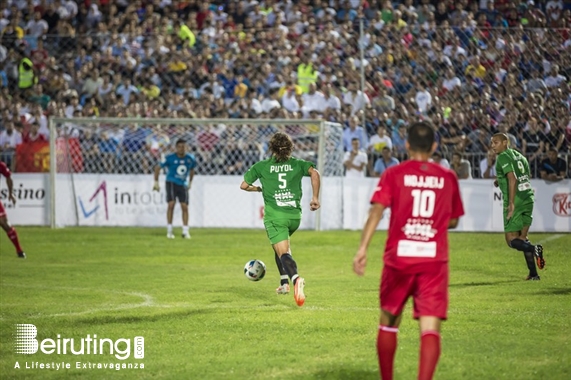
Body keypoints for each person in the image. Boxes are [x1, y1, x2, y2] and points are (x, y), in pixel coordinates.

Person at [353, 122, 464, 380]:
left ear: (407, 145)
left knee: (389, 322)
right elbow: (455, 220)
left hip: (399, 259)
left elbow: (377, 211)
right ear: (435, 147)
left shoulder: (394, 174)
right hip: (433, 261)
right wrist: (431, 224)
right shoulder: (447, 177)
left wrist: (362, 249)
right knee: (430, 327)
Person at [240, 132, 320, 307]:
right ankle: (284, 283)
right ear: (290, 148)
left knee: (283, 252)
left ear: (272, 149)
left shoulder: (261, 166)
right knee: (279, 248)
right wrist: (315, 198)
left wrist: (258, 189)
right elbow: (315, 173)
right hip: (294, 216)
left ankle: (296, 279)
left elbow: (244, 185)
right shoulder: (298, 164)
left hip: (275, 216)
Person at [490, 133, 545, 281]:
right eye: (492, 143)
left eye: (496, 142)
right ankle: (533, 274)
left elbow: (512, 179)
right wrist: (499, 181)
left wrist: (512, 204)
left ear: (505, 142)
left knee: (511, 240)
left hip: (516, 201)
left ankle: (535, 250)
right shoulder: (520, 156)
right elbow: (523, 176)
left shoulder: (502, 157)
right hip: (528, 197)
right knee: (523, 238)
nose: (493, 145)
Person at [153, 139, 197, 239]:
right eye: (180, 147)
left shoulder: (190, 158)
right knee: (171, 204)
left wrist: (190, 182)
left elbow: (192, 170)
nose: (182, 149)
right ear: (176, 148)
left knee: (184, 206)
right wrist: (156, 182)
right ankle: (169, 230)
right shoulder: (169, 158)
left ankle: (185, 231)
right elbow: (157, 168)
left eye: (184, 147)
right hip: (171, 182)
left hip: (183, 184)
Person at [0, 160, 26, 258]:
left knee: (5, 224)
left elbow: (8, 176)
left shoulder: (1, 165)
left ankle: (19, 250)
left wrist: (10, 193)